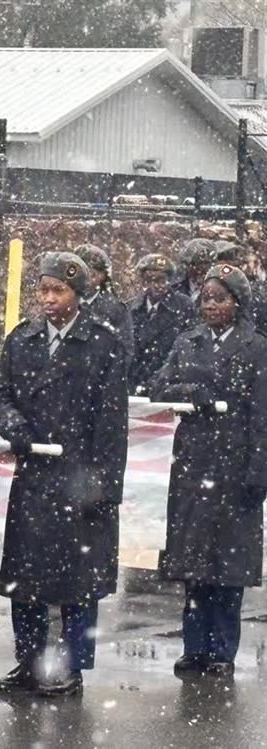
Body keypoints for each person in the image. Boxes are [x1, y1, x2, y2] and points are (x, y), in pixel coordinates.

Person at [0, 251, 128, 698]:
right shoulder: (22, 339)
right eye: (44, 289)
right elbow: (0, 396)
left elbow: (112, 425)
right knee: (25, 579)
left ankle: (70, 666)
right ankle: (29, 662)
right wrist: (15, 428)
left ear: (78, 295)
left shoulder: (103, 344)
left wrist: (103, 487)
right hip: (34, 477)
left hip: (79, 477)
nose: (48, 299)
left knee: (78, 582)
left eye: (59, 291)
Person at [149, 264, 267, 680]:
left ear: (238, 302)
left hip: (235, 467)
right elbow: (158, 387)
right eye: (207, 298)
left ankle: (222, 650)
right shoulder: (187, 342)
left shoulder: (256, 348)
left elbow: (262, 416)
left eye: (221, 297)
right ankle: (194, 646)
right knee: (194, 566)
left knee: (228, 568)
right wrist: (189, 393)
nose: (212, 305)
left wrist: (259, 473)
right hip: (195, 463)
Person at [128, 253, 195, 396]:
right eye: (149, 280)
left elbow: (188, 348)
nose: (155, 286)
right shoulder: (131, 308)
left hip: (168, 385)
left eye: (161, 280)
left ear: (169, 281)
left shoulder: (184, 306)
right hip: (136, 383)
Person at [73, 243, 134, 360]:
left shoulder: (116, 310)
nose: (85, 279)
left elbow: (125, 352)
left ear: (103, 276)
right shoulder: (60, 303)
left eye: (92, 274)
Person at [172, 238, 215, 303]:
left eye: (207, 263)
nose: (203, 268)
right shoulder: (175, 287)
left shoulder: (221, 288)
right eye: (198, 263)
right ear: (187, 264)